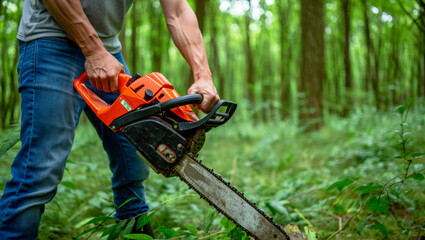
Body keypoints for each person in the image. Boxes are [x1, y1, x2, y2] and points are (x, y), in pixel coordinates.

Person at [0, 0, 220, 239]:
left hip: (108, 51)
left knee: (133, 157)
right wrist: (93, 50)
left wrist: (203, 75)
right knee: (39, 169)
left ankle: (134, 229)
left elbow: (177, 10)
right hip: (50, 40)